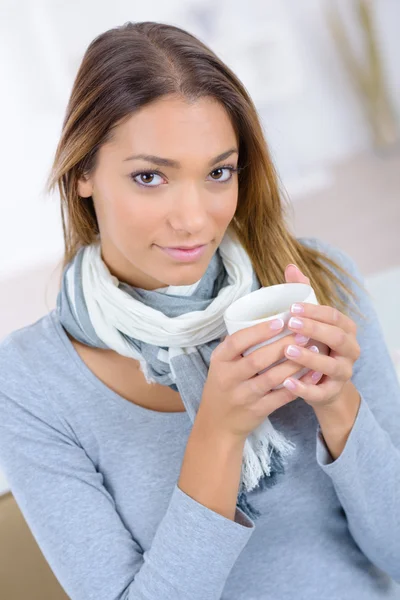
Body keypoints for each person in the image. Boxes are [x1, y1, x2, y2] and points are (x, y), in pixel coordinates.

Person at [0, 20, 399, 600]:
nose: (192, 219)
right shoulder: (30, 379)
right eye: (149, 177)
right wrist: (216, 435)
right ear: (83, 173)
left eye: (218, 172)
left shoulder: (320, 282)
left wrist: (340, 407)